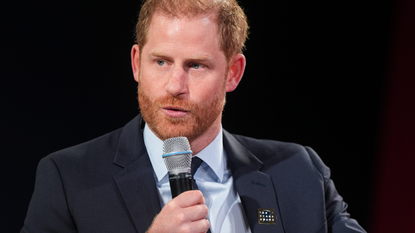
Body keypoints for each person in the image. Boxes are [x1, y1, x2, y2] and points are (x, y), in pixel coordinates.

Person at [21, 0, 366, 232]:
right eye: (161, 62)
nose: (175, 86)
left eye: (195, 65)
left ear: (233, 73)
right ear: (136, 63)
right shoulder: (69, 180)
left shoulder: (298, 171)